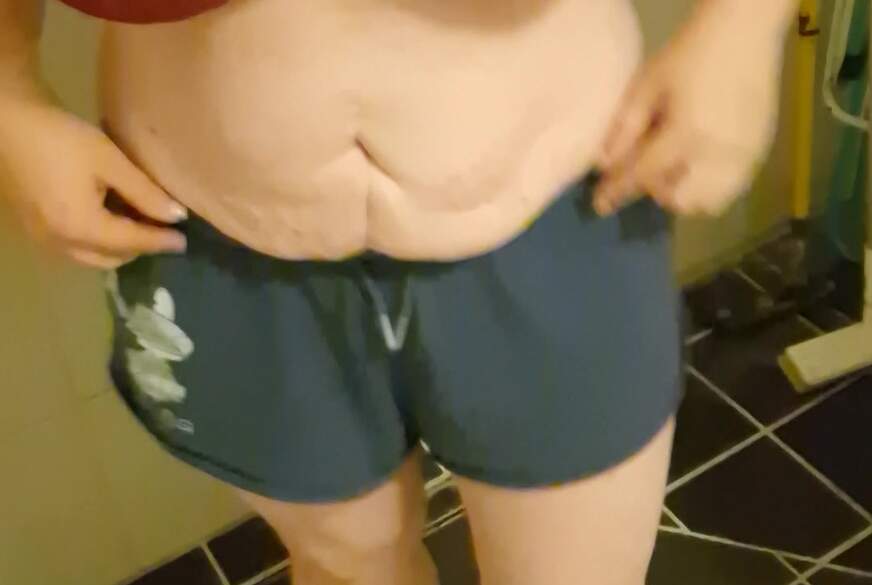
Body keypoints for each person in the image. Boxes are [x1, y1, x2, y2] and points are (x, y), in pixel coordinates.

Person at [0, 1, 797, 583]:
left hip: (562, 203)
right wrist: (11, 99)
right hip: (218, 242)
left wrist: (742, 25)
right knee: (345, 563)